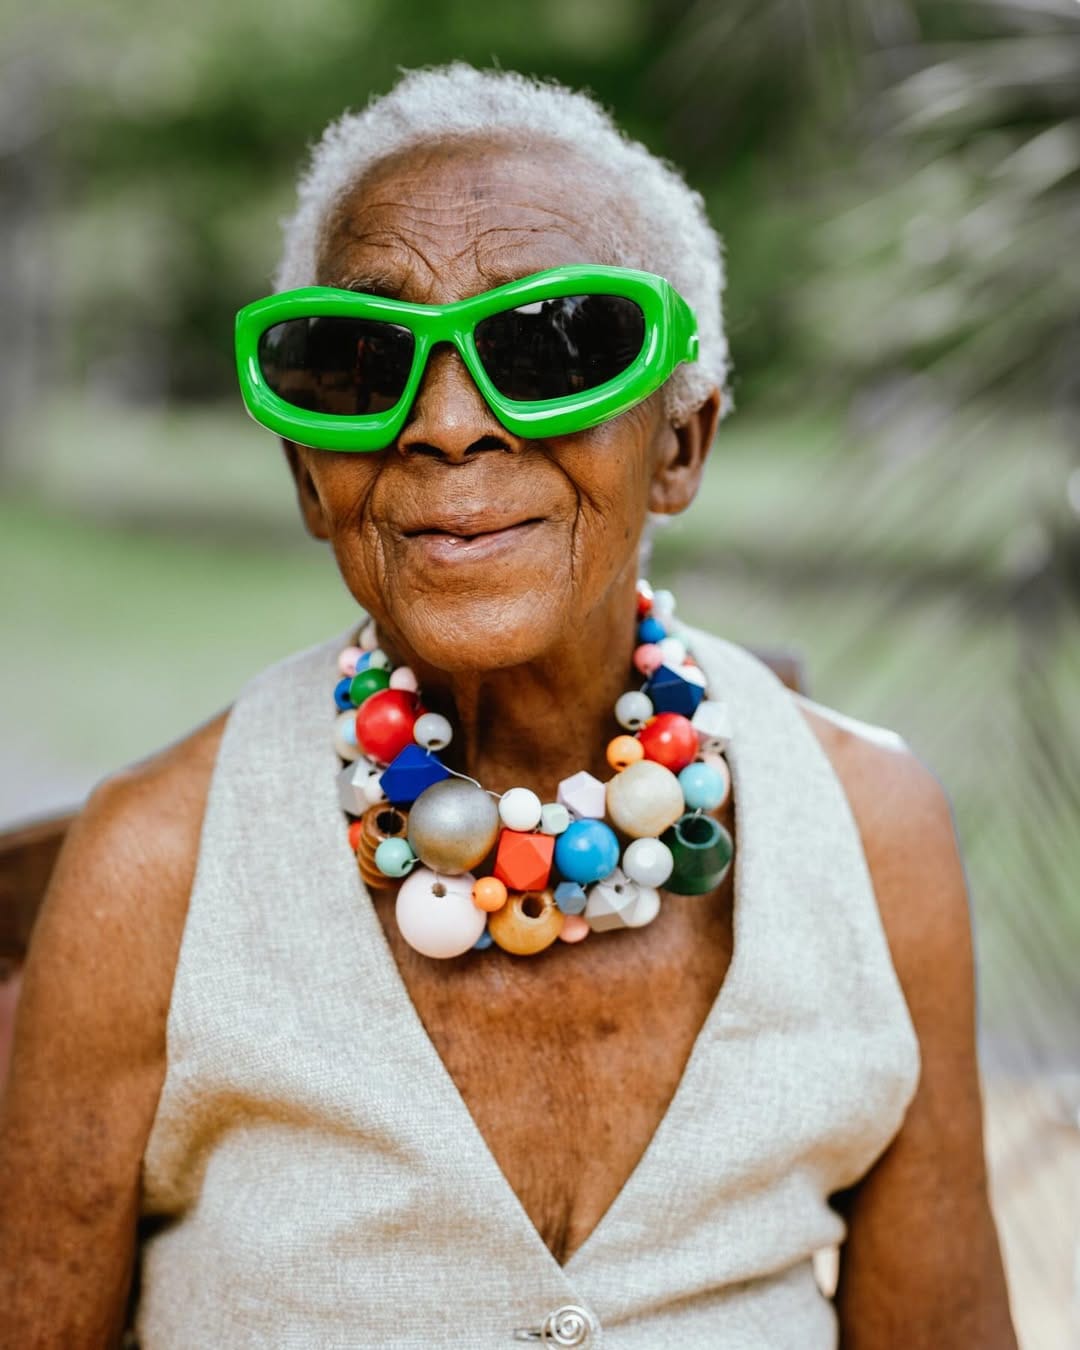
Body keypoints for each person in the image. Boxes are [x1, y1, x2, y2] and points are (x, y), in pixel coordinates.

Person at [0, 63, 1016, 1349]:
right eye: (363, 359)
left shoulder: (876, 836)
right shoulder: (153, 868)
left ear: (681, 446)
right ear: (313, 482)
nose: (450, 424)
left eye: (555, 346)